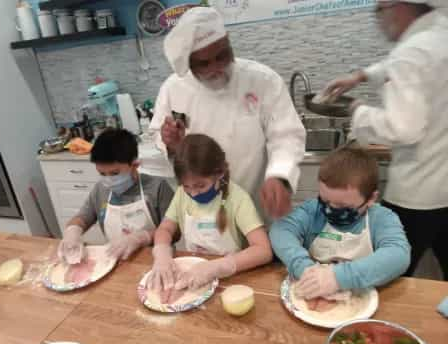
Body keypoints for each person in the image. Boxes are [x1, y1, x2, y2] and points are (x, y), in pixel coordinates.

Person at [319, 0, 448, 280]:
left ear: (398, 6)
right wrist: (361, 76)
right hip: (444, 190)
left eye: (379, 9)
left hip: (416, 195)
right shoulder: (440, 33)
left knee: (387, 274)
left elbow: (403, 129)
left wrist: (357, 110)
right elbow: (401, 65)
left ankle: (378, 322)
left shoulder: (412, 51)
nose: (379, 18)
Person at [149, 6, 306, 219]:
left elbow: (286, 135)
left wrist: (280, 175)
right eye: (204, 63)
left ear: (229, 42)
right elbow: (158, 134)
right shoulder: (173, 89)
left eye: (222, 55)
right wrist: (171, 143)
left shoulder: (262, 80)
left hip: (256, 208)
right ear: (188, 63)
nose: (217, 67)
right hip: (201, 211)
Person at [270, 148, 410, 300]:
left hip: (361, 299)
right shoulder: (312, 211)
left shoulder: (382, 219)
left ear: (370, 199)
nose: (330, 209)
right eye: (325, 200)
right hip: (315, 297)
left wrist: (336, 278)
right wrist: (304, 268)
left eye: (342, 206)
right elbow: (280, 230)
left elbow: (398, 255)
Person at [146, 134, 273, 291]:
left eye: (200, 186)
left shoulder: (237, 198)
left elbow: (263, 250)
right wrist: (162, 254)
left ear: (219, 173)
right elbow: (165, 228)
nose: (193, 193)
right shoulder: (181, 194)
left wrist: (219, 267)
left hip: (230, 279)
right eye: (186, 186)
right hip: (191, 274)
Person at [57, 129, 174, 264]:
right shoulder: (100, 190)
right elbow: (82, 218)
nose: (108, 180)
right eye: (102, 174)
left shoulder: (157, 187)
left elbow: (174, 232)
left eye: (114, 173)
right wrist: (72, 233)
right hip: (116, 262)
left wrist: (142, 237)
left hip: (157, 261)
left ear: (135, 165)